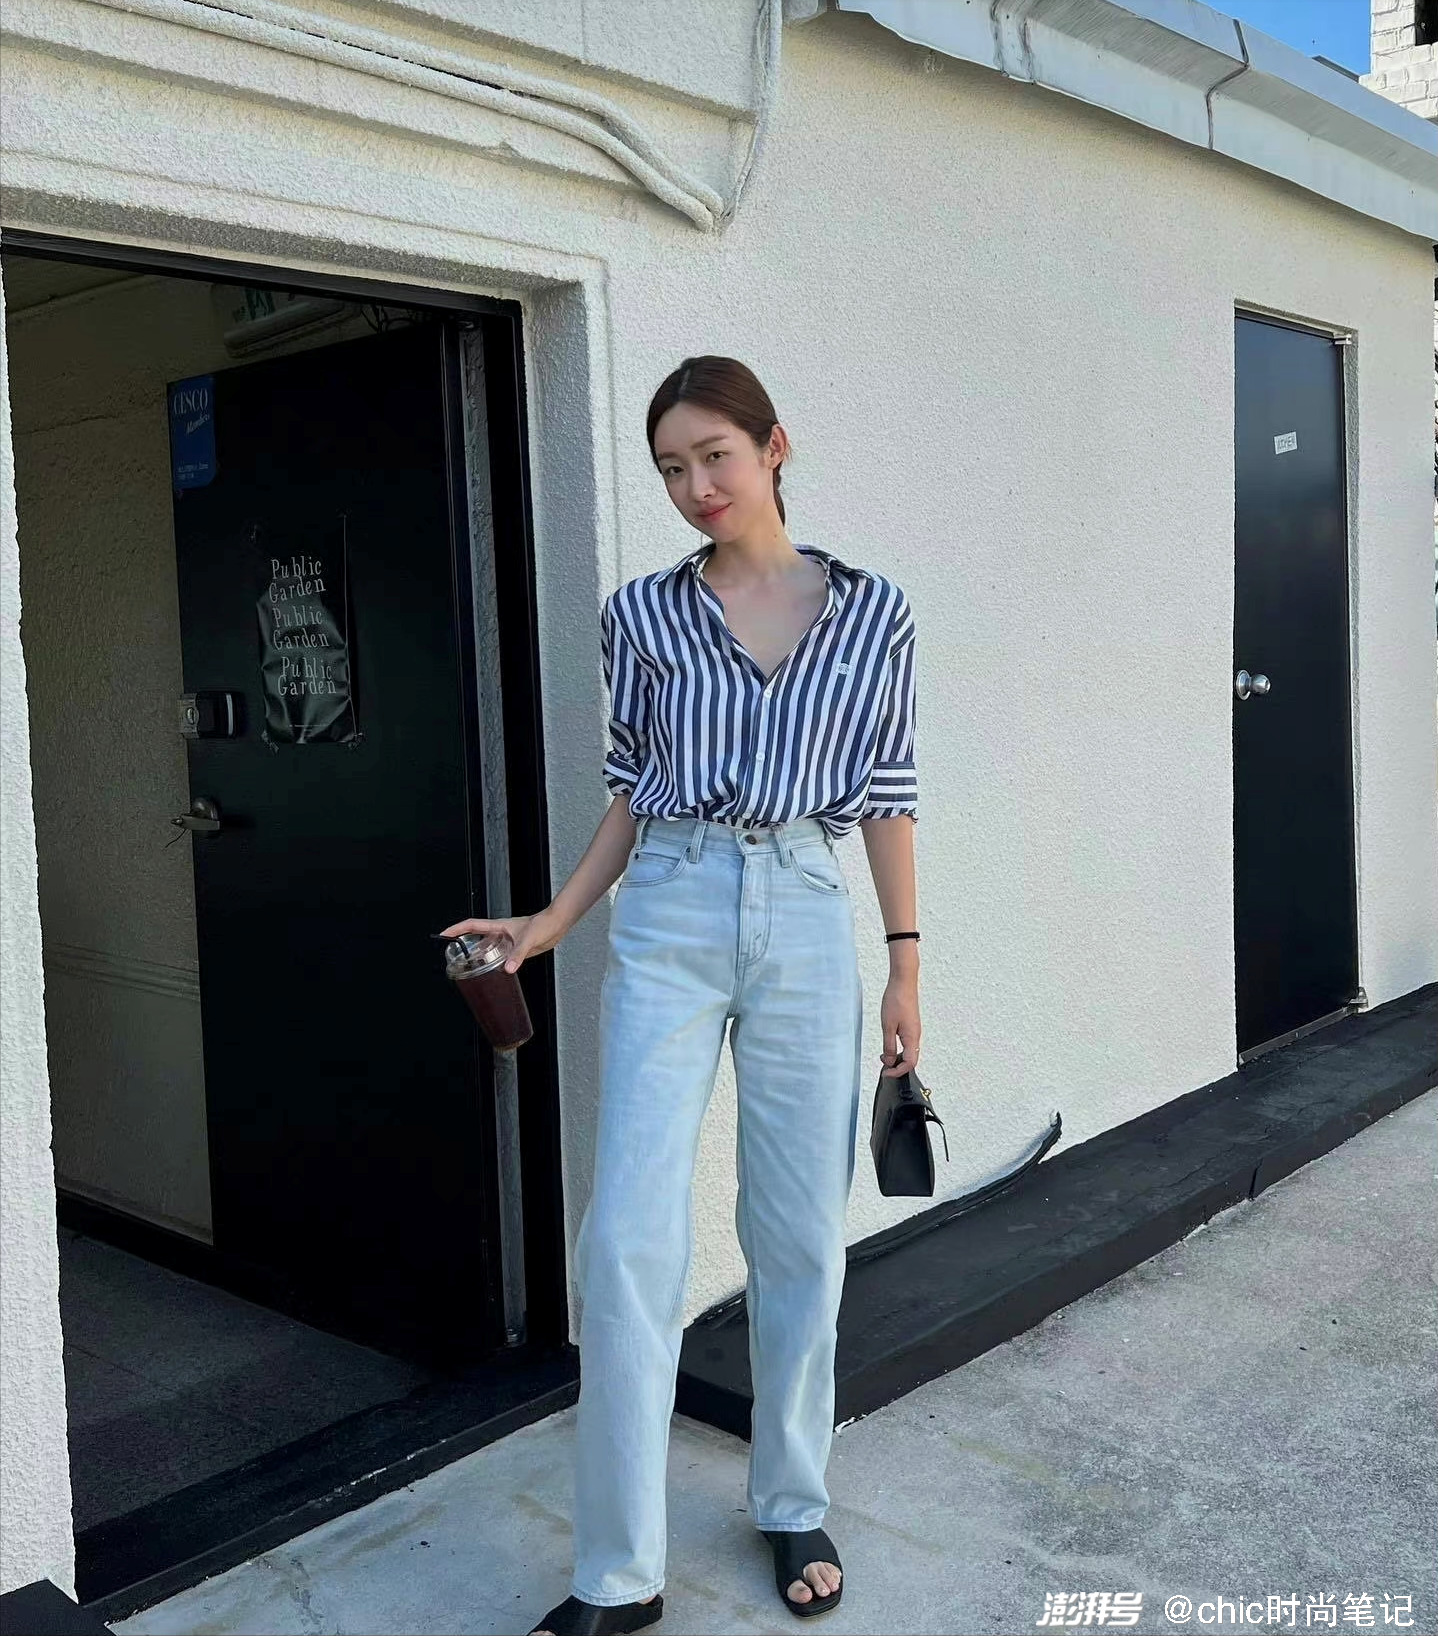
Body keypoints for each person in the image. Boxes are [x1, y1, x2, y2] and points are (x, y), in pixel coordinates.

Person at [441, 355, 921, 1636]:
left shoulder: (874, 612)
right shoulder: (641, 615)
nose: (695, 484)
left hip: (806, 904)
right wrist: (549, 922)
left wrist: (906, 964)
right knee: (627, 1239)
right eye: (669, 467)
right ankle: (618, 1572)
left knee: (799, 1232)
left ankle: (792, 1495)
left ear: (774, 446)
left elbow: (886, 792)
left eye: (714, 454)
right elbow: (630, 791)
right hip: (670, 904)